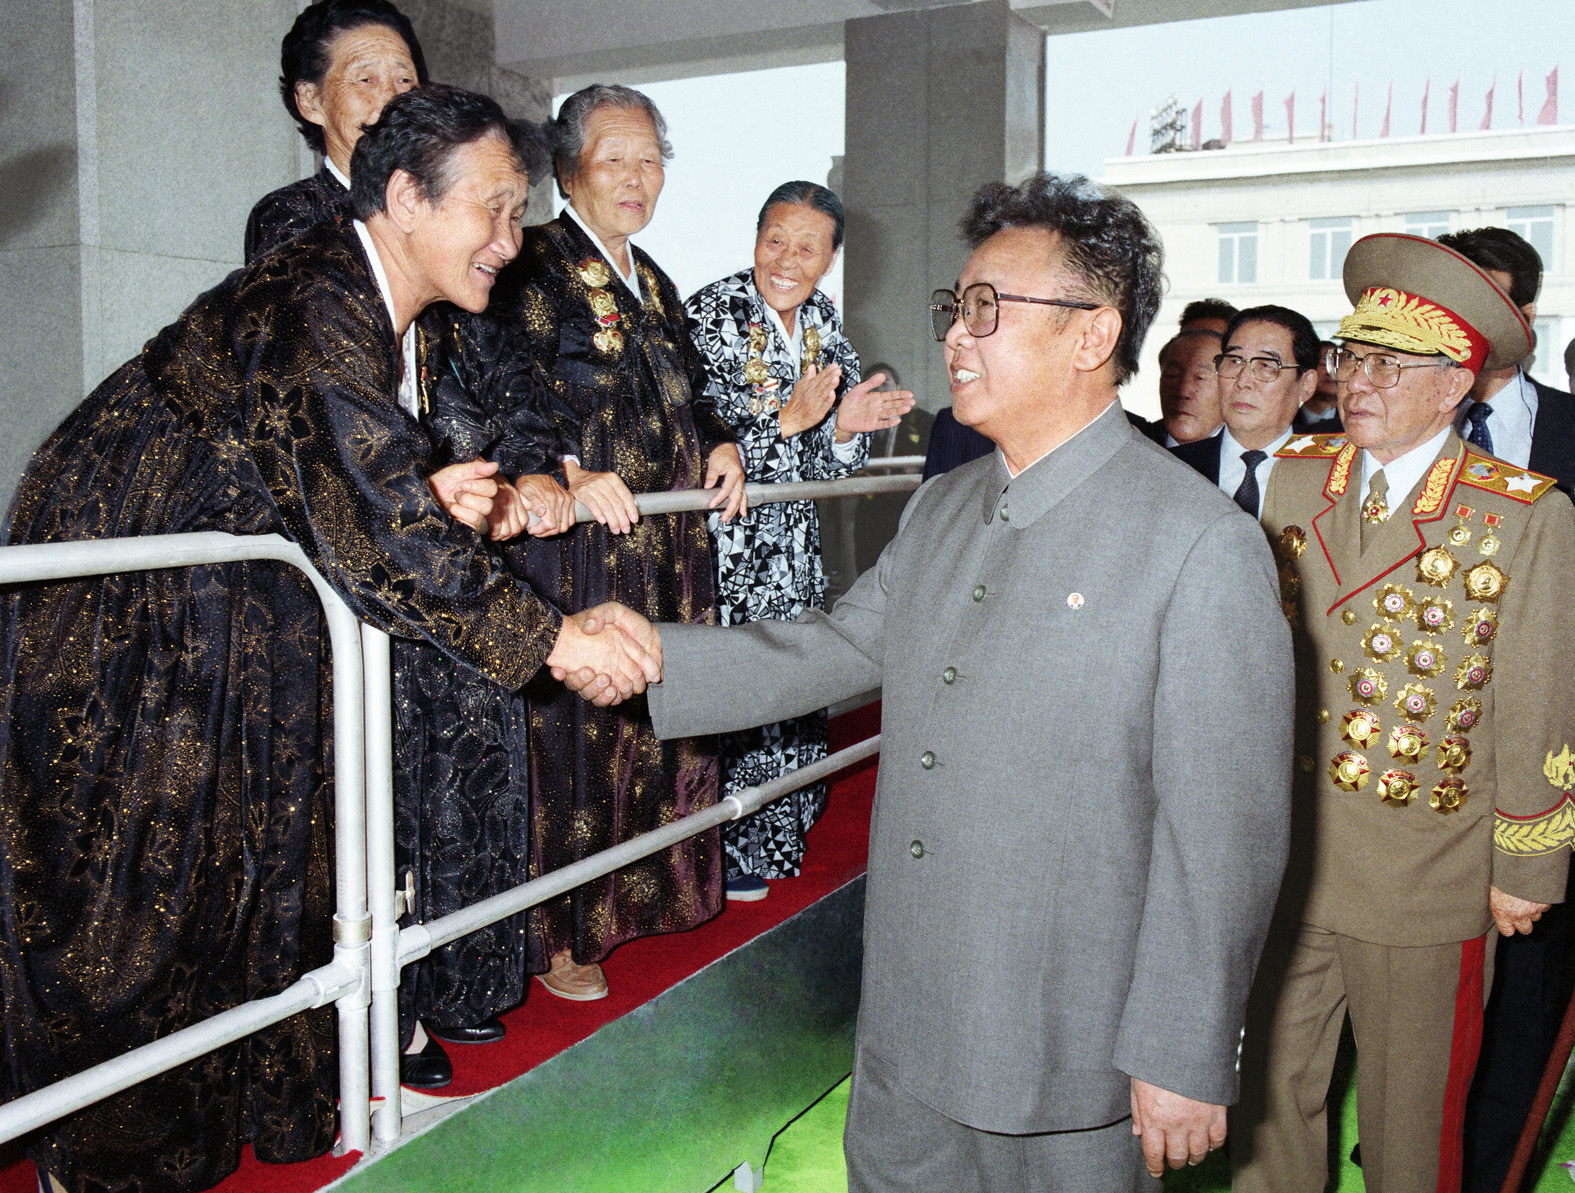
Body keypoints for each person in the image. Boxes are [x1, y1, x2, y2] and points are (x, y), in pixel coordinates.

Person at [0, 85, 657, 1193]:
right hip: (127, 617)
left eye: (518, 211)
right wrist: (552, 639)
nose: (511, 240)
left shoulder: (373, 299)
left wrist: (423, 492)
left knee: (272, 861)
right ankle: (104, 1160)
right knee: (143, 888)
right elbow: (367, 506)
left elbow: (322, 471)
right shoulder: (316, 294)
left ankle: (324, 1096)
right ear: (404, 197)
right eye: (493, 208)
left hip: (227, 606)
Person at [581, 172, 1294, 1189]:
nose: (957, 335)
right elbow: (839, 643)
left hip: (1069, 1054)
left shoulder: (1198, 543)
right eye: (955, 307)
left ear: (1092, 335)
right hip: (908, 1030)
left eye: (987, 309)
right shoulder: (943, 505)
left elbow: (1223, 833)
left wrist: (1182, 1051)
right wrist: (659, 655)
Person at [1235, 233, 1575, 1193]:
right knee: (1266, 1104)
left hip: (1425, 872)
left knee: (1410, 1129)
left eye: (1390, 365)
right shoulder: (1296, 475)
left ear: (1454, 382)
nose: (1358, 381)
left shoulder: (1520, 514)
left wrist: (1526, 864)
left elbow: (1539, 695)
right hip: (1291, 855)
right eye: (1352, 356)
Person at [486, 83, 746, 1002]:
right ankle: (562, 930)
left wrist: (719, 439)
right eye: (614, 159)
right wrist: (562, 464)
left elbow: (691, 390)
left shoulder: (655, 279)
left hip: (665, 547)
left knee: (656, 719)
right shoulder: (531, 263)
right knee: (581, 734)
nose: (637, 177)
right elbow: (508, 386)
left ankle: (650, 894)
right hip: (581, 551)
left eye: (651, 160)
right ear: (567, 172)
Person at [684, 182, 912, 900]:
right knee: (737, 686)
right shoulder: (709, 313)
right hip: (724, 548)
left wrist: (844, 428)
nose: (786, 259)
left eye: (807, 247)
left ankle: (778, 836)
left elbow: (823, 465)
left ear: (831, 258)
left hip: (794, 548)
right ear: (755, 237)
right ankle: (721, 850)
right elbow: (690, 444)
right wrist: (784, 422)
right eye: (774, 239)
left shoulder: (824, 324)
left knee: (791, 681)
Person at [1434, 225, 1575, 1193]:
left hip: (1546, 767)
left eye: (1488, 300)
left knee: (1527, 989)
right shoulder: (1394, 433)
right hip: (1419, 769)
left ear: (1522, 315)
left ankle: (1490, 1165)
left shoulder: (1568, 427)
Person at [245, 0, 425, 262]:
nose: (391, 98)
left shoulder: (445, 204)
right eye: (366, 79)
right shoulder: (292, 214)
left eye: (405, 80)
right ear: (311, 101)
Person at [1171, 305, 1318, 518]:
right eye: (1234, 361)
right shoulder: (1174, 469)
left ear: (1306, 385)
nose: (1243, 381)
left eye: (1266, 365)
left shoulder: (1332, 476)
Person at [1156, 327, 1226, 445]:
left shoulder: (1250, 451)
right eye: (1172, 375)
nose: (1183, 391)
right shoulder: (1133, 440)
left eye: (1201, 378)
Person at [1292, 340, 1343, 433]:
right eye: (1324, 364)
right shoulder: (1286, 421)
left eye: (1339, 366)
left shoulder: (1350, 423)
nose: (1331, 372)